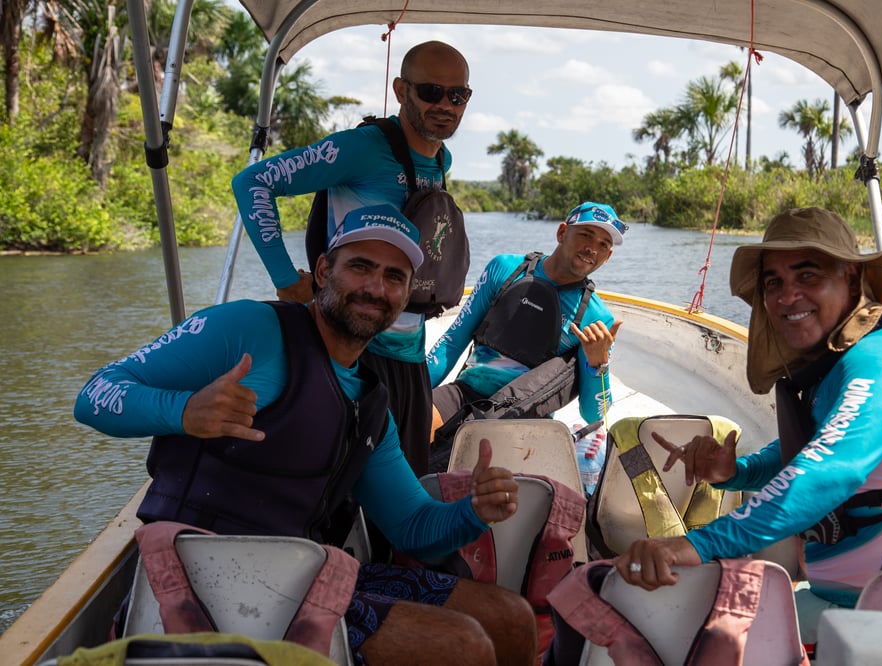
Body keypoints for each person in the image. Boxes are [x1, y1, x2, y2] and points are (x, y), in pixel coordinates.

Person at [75, 205, 537, 666]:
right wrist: (183, 411)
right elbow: (95, 395)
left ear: (404, 295)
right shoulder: (249, 329)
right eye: (360, 267)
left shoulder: (371, 404)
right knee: (461, 645)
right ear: (322, 270)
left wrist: (475, 512)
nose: (375, 288)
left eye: (394, 277)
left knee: (511, 616)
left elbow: (414, 528)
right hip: (202, 580)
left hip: (303, 576)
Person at [544, 206, 882, 661]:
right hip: (851, 600)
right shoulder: (835, 365)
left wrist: (695, 544)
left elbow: (827, 471)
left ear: (854, 281)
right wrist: (736, 472)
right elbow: (810, 448)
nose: (788, 296)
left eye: (808, 275)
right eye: (774, 283)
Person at [231, 40, 472, 478]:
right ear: (401, 90)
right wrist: (286, 280)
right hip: (351, 346)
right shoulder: (360, 148)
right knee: (343, 482)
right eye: (431, 91)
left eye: (458, 96)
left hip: (408, 351)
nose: (446, 105)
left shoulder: (442, 159)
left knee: (408, 481)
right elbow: (253, 183)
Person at [426, 202, 625, 453]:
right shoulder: (505, 269)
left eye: (603, 245)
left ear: (607, 257)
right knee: (408, 425)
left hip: (526, 417)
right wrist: (413, 392)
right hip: (465, 393)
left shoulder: (597, 319)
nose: (592, 248)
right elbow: (453, 340)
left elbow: (594, 414)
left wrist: (598, 365)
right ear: (562, 233)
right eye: (586, 235)